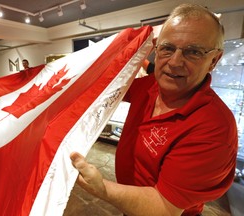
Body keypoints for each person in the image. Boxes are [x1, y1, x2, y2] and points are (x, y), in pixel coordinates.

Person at [70, 3, 238, 216]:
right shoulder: (149, 86)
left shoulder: (214, 129)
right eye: (168, 48)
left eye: (193, 52)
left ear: (214, 60)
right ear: (157, 48)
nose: (175, 62)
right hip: (130, 207)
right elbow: (103, 86)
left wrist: (102, 188)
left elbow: (164, 208)